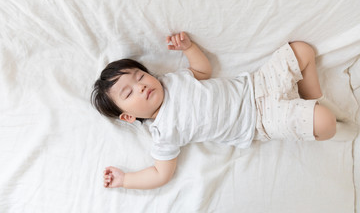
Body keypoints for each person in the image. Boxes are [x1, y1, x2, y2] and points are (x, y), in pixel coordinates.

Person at [91, 32, 341, 190]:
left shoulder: (172, 81)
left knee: (301, 50)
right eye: (129, 92)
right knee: (327, 123)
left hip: (257, 83)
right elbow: (159, 173)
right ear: (128, 116)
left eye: (140, 76)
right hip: (259, 120)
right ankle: (310, 111)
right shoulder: (163, 133)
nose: (141, 85)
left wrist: (188, 48)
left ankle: (310, 97)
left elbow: (202, 71)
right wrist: (126, 180)